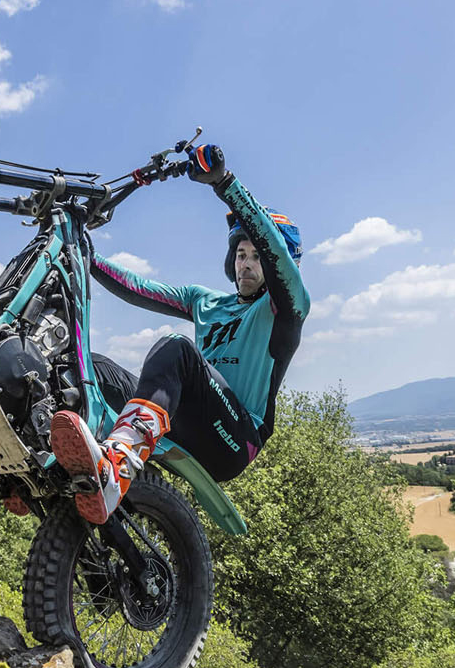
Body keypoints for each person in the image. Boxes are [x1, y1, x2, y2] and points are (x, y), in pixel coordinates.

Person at [50, 143, 310, 524]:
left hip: (234, 439)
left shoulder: (285, 309)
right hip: (185, 423)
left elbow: (279, 257)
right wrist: (79, 252)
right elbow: (138, 287)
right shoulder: (205, 301)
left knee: (177, 348)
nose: (247, 264)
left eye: (256, 257)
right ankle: (45, 468)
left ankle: (120, 461)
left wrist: (224, 183)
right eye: (241, 254)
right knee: (92, 368)